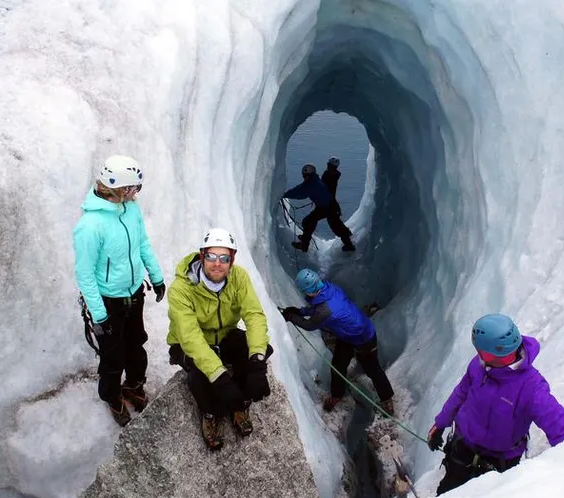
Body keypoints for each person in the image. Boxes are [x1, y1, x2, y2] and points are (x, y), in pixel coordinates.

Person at [427, 313, 564, 495]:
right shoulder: (478, 367)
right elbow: (461, 394)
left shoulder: (531, 387)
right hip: (464, 446)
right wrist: (440, 423)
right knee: (447, 495)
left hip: (500, 461)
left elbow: (558, 426)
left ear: (488, 352)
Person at [73, 155, 165, 427]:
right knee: (113, 356)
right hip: (108, 301)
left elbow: (143, 244)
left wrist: (156, 277)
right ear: (119, 188)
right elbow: (85, 274)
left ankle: (134, 385)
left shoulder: (131, 210)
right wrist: (99, 316)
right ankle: (111, 395)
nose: (137, 193)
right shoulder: (90, 227)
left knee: (137, 344)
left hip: (134, 294)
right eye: (133, 187)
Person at [166, 227, 273, 450]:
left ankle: (240, 404)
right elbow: (190, 336)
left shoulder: (238, 278)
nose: (217, 263)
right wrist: (220, 376)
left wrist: (257, 361)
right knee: (199, 376)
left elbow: (254, 316)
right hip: (189, 343)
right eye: (212, 257)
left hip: (224, 336)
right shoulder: (182, 288)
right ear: (202, 256)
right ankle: (209, 413)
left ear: (231, 261)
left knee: (252, 352)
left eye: (224, 258)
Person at [281, 268, 394, 416]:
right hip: (346, 335)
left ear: (308, 290)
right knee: (338, 365)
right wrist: (300, 311)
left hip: (364, 336)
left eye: (304, 291)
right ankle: (337, 394)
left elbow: (310, 325)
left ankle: (387, 399)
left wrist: (291, 316)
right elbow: (318, 308)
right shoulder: (328, 288)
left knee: (372, 369)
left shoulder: (326, 309)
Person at [283, 163, 355, 252]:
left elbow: (300, 192)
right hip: (327, 206)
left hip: (327, 207)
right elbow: (300, 188)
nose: (304, 178)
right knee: (311, 221)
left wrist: (284, 194)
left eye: (305, 175)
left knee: (316, 222)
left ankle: (304, 244)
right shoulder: (314, 180)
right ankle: (306, 239)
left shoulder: (311, 183)